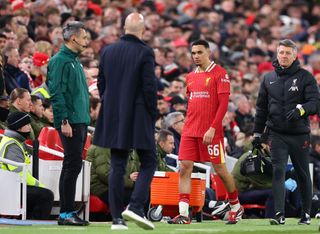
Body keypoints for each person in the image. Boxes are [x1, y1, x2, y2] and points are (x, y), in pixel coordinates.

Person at [93, 12, 157, 230]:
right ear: (142, 30)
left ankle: (117, 219)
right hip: (138, 115)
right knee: (149, 160)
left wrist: (109, 102)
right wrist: (153, 113)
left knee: (117, 164)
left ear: (124, 27)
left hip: (113, 114)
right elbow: (149, 88)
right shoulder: (145, 52)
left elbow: (100, 82)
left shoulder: (108, 51)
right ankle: (136, 206)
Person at [168, 39, 243, 225]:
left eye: (199, 52)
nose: (196, 56)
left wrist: (212, 128)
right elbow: (193, 103)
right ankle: (184, 213)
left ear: (208, 52)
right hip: (190, 130)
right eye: (193, 53)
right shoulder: (191, 76)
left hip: (211, 131)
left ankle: (235, 206)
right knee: (184, 167)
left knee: (219, 168)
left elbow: (223, 105)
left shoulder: (220, 73)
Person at [253, 39, 319, 225]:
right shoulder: (268, 78)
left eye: (287, 53)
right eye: (281, 52)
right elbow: (261, 109)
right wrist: (258, 134)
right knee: (278, 171)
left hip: (299, 134)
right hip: (277, 133)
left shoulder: (306, 77)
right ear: (277, 54)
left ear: (295, 55)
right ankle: (279, 214)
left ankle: (306, 214)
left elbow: (315, 103)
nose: (283, 56)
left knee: (302, 173)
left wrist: (301, 110)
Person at [47, 21, 90, 226]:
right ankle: (65, 213)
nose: (86, 41)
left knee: (73, 165)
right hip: (70, 121)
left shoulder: (74, 60)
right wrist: (64, 120)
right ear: (73, 38)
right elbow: (56, 92)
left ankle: (68, 212)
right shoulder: (60, 61)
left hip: (79, 120)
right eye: (84, 37)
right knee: (71, 165)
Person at [0, 112, 54, 219]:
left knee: (39, 193)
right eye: (28, 125)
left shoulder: (16, 141)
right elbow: (20, 173)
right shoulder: (12, 145)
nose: (30, 128)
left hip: (11, 185)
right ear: (19, 127)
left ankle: (29, 220)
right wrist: (39, 185)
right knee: (46, 195)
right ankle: (37, 226)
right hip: (9, 188)